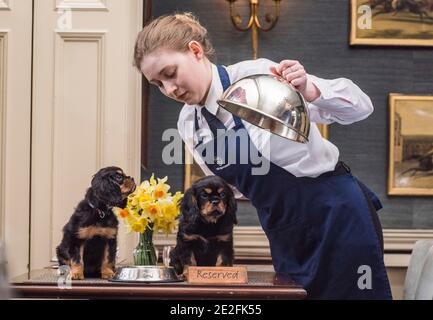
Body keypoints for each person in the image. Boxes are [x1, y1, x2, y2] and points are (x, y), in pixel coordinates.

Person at [133, 12, 392, 300]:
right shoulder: (189, 124)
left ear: (195, 51)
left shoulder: (256, 77)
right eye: (157, 84)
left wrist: (309, 89)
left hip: (337, 216)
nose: (169, 89)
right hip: (284, 231)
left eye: (170, 74)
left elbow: (361, 107)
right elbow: (233, 188)